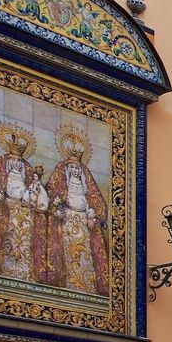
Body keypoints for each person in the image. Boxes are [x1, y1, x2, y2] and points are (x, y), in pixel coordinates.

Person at [0, 122, 43, 284]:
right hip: (4, 206)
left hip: (23, 209)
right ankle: (3, 268)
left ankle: (22, 271)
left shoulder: (26, 168)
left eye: (18, 161)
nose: (16, 163)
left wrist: (37, 180)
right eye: (13, 160)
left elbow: (33, 188)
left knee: (25, 239)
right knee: (5, 234)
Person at [46, 122, 109, 298]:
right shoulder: (61, 179)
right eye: (71, 167)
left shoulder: (85, 183)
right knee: (68, 252)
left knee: (85, 256)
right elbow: (52, 196)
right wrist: (57, 209)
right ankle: (68, 285)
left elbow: (95, 201)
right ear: (67, 169)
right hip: (68, 219)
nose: (74, 170)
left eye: (77, 168)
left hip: (83, 221)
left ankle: (86, 288)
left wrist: (92, 216)